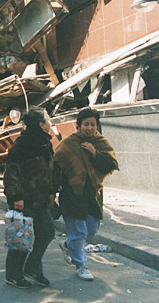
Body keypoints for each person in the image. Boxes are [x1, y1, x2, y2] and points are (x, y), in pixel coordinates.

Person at [54, 107, 118, 281]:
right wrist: (51, 193)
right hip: (72, 194)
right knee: (79, 232)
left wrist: (94, 152)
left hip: (92, 194)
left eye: (92, 124)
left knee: (90, 229)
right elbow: (56, 167)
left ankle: (68, 244)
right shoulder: (68, 143)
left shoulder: (101, 142)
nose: (89, 128)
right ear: (78, 125)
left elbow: (110, 164)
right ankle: (80, 265)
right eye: (86, 124)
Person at [3, 106, 56, 289]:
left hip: (41, 199)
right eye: (47, 119)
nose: (50, 122)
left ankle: (32, 267)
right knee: (21, 239)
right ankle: (13, 274)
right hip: (24, 200)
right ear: (41, 124)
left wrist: (51, 192)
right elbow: (11, 173)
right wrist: (16, 196)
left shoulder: (45, 144)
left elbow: (49, 170)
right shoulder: (23, 145)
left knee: (47, 232)